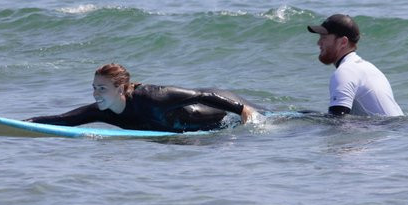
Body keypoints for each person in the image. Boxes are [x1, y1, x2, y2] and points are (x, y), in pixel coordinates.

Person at [26, 63, 258, 132]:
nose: (96, 94)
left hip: (217, 111)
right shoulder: (101, 110)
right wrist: (26, 124)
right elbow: (63, 120)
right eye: (94, 88)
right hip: (183, 131)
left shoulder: (152, 97)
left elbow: (203, 95)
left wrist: (240, 109)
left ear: (120, 89)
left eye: (102, 89)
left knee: (270, 117)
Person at [307, 14, 403, 117]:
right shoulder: (367, 67)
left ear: (343, 42)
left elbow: (338, 123)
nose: (319, 43)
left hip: (389, 129)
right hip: (400, 129)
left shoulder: (345, 72)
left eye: (324, 37)